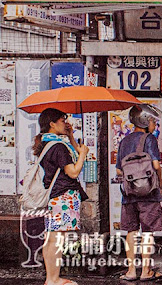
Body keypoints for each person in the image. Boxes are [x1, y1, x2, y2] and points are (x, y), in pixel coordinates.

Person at [33, 108, 88, 285]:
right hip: (64, 196)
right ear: (52, 124)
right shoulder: (58, 147)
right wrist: (83, 155)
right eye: (62, 120)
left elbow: (74, 150)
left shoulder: (49, 143)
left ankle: (51, 278)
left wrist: (71, 135)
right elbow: (73, 172)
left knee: (52, 238)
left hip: (55, 196)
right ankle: (53, 279)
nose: (66, 123)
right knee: (56, 239)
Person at [117, 104, 162, 282]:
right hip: (149, 194)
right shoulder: (149, 139)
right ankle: (146, 271)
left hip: (128, 194)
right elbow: (155, 165)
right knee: (147, 231)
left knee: (131, 231)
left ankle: (131, 271)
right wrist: (158, 181)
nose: (153, 124)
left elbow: (120, 171)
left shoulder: (124, 141)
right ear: (144, 120)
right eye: (152, 120)